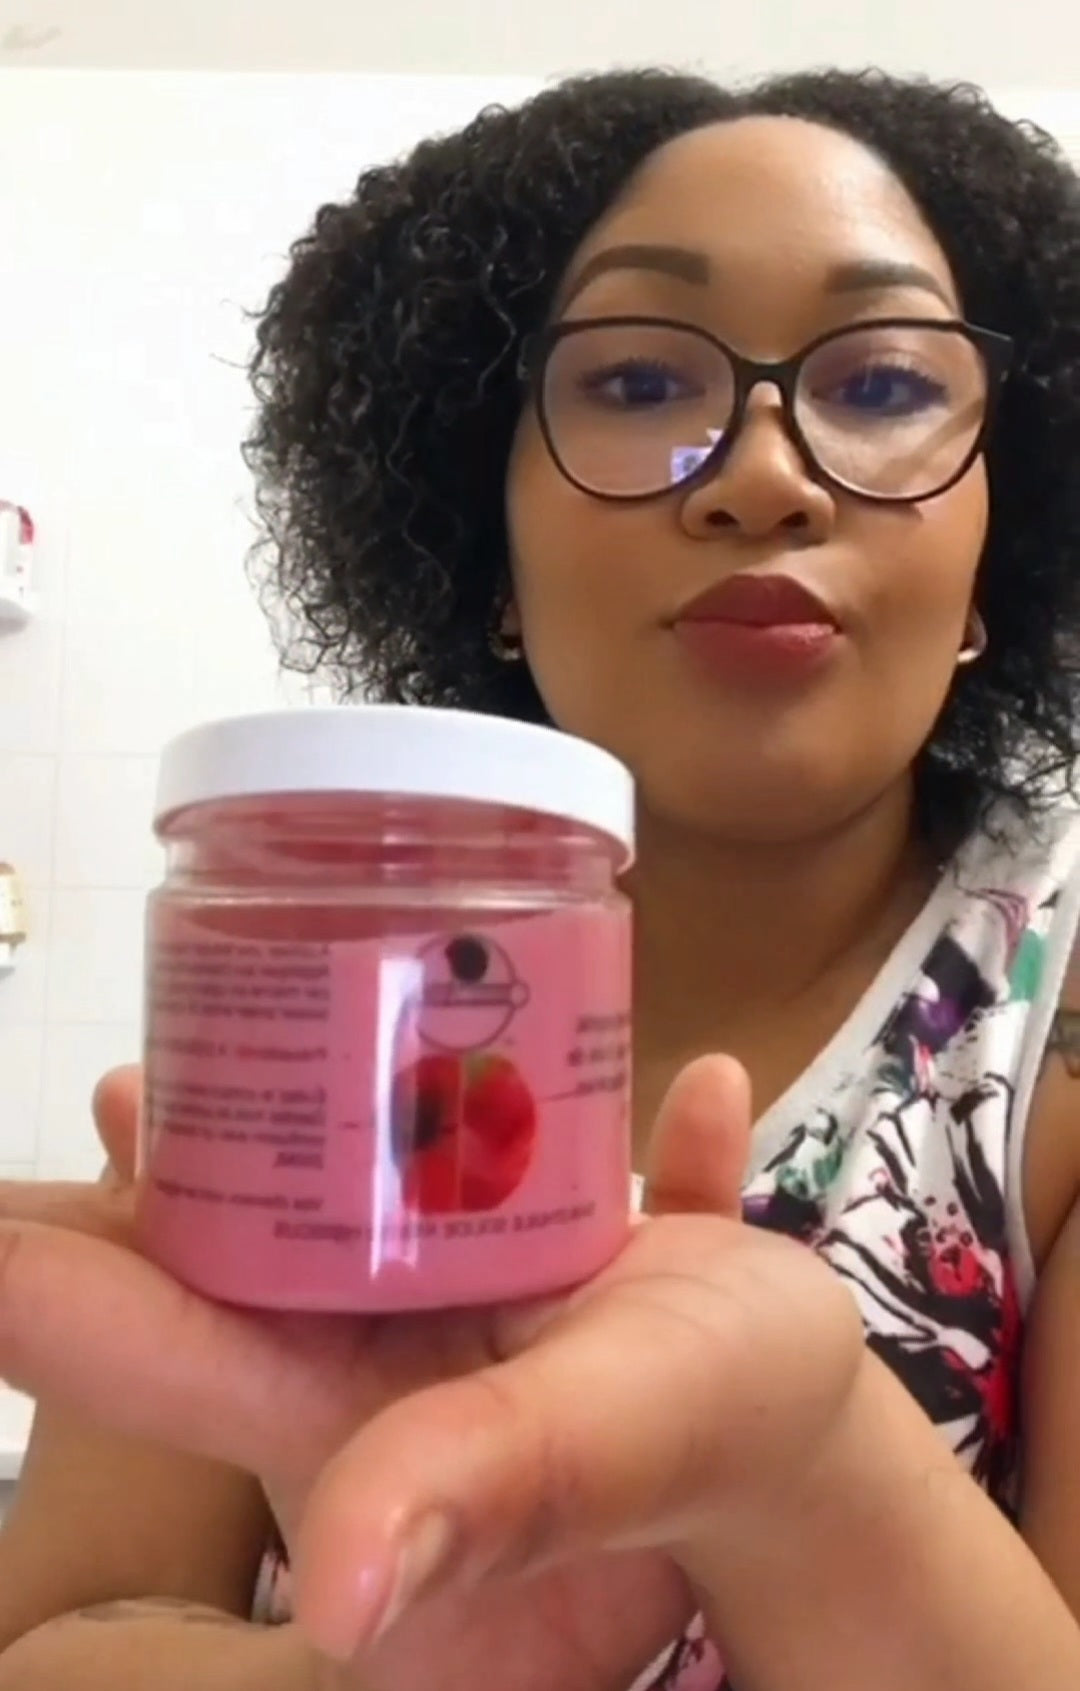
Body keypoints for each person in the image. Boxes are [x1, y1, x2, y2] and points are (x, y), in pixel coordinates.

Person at [1, 63, 1080, 1691]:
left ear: (1000, 545)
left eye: (880, 382)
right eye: (639, 380)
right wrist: (374, 1676)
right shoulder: (319, 979)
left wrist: (801, 1467)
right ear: (483, 546)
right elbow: (53, 1637)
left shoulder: (1055, 1017)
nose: (766, 474)